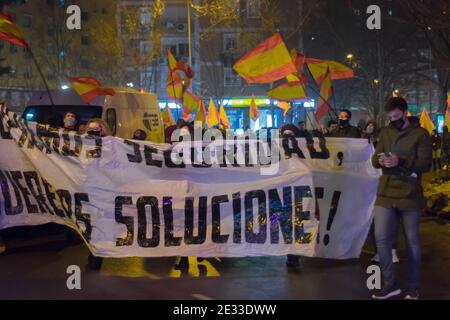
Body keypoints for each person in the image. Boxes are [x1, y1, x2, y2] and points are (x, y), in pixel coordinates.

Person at [371, 97, 432, 300]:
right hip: (386, 192)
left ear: (405, 113)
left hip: (409, 195)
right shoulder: (386, 132)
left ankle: (413, 286)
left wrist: (401, 160)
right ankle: (390, 284)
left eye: (396, 117)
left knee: (412, 241)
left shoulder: (420, 134)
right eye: (389, 117)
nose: (393, 120)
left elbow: (425, 164)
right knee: (381, 238)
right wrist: (380, 159)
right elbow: (375, 158)